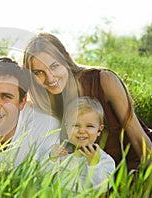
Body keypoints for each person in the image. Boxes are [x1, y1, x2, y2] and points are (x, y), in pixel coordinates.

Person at [22, 32, 152, 171]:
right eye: (39, 72)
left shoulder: (103, 80)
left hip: (135, 163)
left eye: (54, 66)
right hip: (92, 176)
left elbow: (139, 139)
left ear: (66, 58)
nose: (50, 78)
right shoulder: (41, 102)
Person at [49, 96, 115, 194]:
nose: (82, 131)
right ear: (67, 128)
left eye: (89, 126)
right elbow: (43, 177)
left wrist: (94, 165)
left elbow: (104, 187)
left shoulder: (104, 160)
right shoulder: (61, 152)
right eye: (76, 125)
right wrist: (52, 159)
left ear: (99, 130)